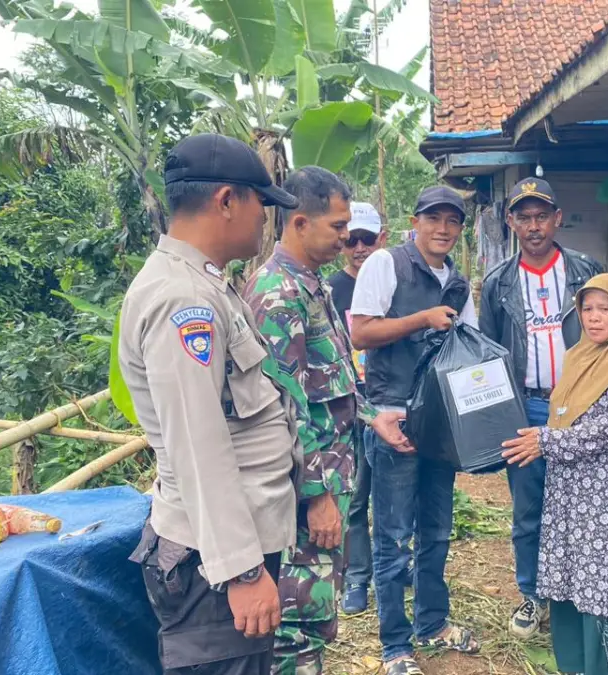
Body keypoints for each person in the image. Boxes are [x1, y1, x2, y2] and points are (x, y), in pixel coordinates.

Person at [119, 133, 301, 675]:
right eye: (261, 203)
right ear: (226, 201)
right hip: (213, 566)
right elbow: (198, 445)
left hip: (223, 551)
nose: (265, 218)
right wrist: (243, 571)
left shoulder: (206, 285)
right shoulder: (184, 299)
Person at [350, 186, 481, 675]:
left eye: (452, 221)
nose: (443, 229)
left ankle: (432, 622)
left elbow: (469, 348)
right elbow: (361, 332)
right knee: (393, 538)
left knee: (437, 531)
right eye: (433, 218)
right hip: (394, 418)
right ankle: (395, 646)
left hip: (439, 423)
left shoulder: (459, 284)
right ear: (415, 222)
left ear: (461, 228)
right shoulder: (385, 264)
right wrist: (421, 319)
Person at [501, 274, 608, 675]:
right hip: (570, 492)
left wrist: (545, 441)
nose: (595, 317)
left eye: (605, 309)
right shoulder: (577, 356)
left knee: (605, 585)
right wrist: (548, 440)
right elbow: (565, 415)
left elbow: (607, 429)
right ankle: (578, 665)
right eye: (587, 309)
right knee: (572, 578)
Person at [244, 166, 363, 675]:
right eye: (337, 226)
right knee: (296, 627)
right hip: (302, 499)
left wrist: (372, 418)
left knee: (317, 617)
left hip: (328, 482)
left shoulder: (312, 284)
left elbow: (326, 384)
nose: (346, 237)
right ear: (299, 223)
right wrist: (317, 497)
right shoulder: (278, 295)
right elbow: (282, 408)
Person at [478, 177, 604, 637]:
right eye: (524, 217)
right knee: (529, 510)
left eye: (541, 216)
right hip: (527, 408)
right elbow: (489, 355)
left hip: (580, 406)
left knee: (584, 505)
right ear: (510, 222)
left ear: (557, 219)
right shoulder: (498, 284)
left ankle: (582, 594)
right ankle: (533, 595)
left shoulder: (586, 272)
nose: (534, 226)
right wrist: (500, 418)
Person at [325, 201, 387, 616]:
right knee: (355, 497)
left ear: (382, 238)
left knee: (393, 497)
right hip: (348, 406)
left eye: (367, 239)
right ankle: (358, 577)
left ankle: (392, 570)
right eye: (352, 241)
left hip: (387, 403)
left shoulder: (392, 280)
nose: (360, 248)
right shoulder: (329, 290)